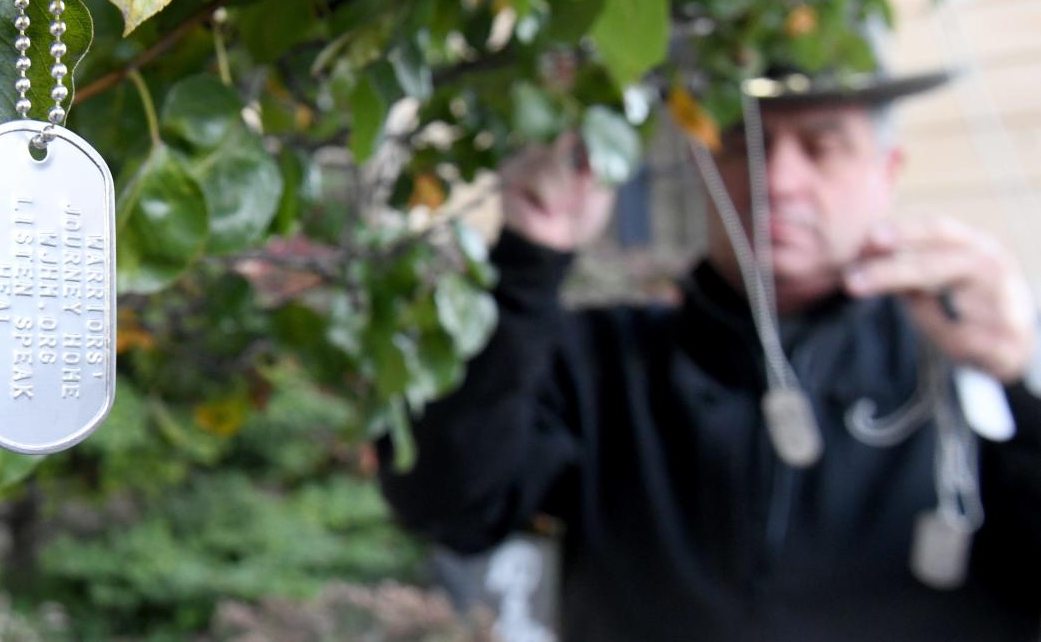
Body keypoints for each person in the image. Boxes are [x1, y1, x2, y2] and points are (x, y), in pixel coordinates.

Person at [377, 68, 1041, 641]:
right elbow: (446, 505)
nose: (777, 180)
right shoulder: (602, 361)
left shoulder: (966, 364)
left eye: (822, 147)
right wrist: (528, 263)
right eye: (743, 144)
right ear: (701, 164)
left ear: (886, 171)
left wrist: (1019, 376)